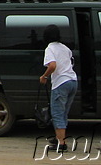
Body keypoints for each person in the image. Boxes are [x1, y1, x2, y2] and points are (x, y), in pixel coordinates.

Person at [39, 24, 78, 153]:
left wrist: (44, 76)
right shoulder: (65, 48)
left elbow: (52, 65)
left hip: (61, 83)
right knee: (64, 112)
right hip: (72, 81)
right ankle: (59, 137)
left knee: (57, 113)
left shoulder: (50, 48)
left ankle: (61, 144)